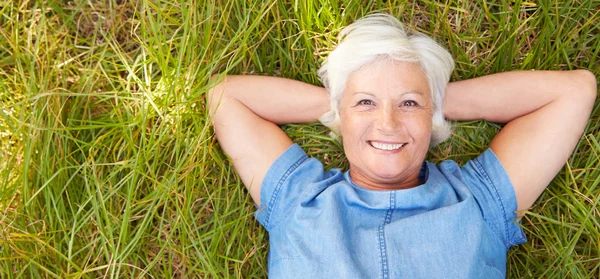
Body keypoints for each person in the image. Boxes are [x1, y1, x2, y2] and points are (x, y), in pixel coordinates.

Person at [206, 14, 596, 278]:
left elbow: (574, 91)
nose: (388, 124)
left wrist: (432, 103)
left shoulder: (479, 201)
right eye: (366, 104)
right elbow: (227, 96)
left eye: (408, 104)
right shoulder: (299, 198)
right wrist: (342, 104)